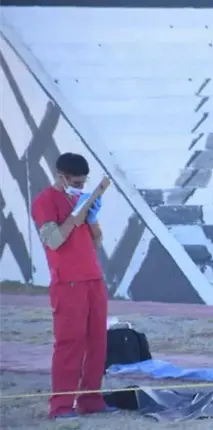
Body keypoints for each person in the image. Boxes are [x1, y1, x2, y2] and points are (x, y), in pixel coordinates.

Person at [31, 153, 115, 419]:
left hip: (93, 277)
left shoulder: (79, 197)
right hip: (67, 281)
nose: (79, 188)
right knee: (70, 343)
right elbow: (53, 241)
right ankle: (61, 406)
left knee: (97, 342)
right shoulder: (45, 201)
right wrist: (75, 217)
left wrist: (91, 219)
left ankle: (91, 400)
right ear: (61, 176)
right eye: (76, 183)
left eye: (83, 183)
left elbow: (97, 243)